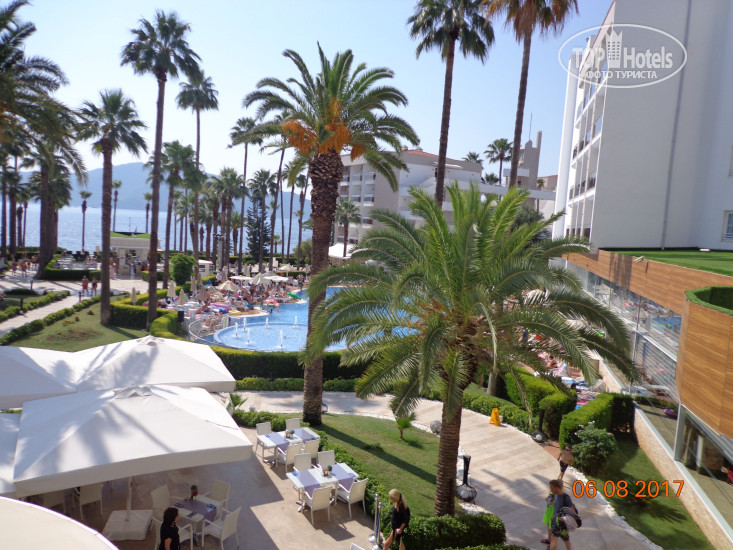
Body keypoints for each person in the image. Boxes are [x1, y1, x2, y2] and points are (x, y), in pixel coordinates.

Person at [548, 478, 577, 550]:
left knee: (566, 541)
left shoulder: (566, 497)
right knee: (554, 540)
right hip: (556, 523)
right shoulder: (556, 495)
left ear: (556, 488)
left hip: (563, 525)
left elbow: (572, 511)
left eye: (551, 488)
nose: (550, 490)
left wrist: (565, 519)